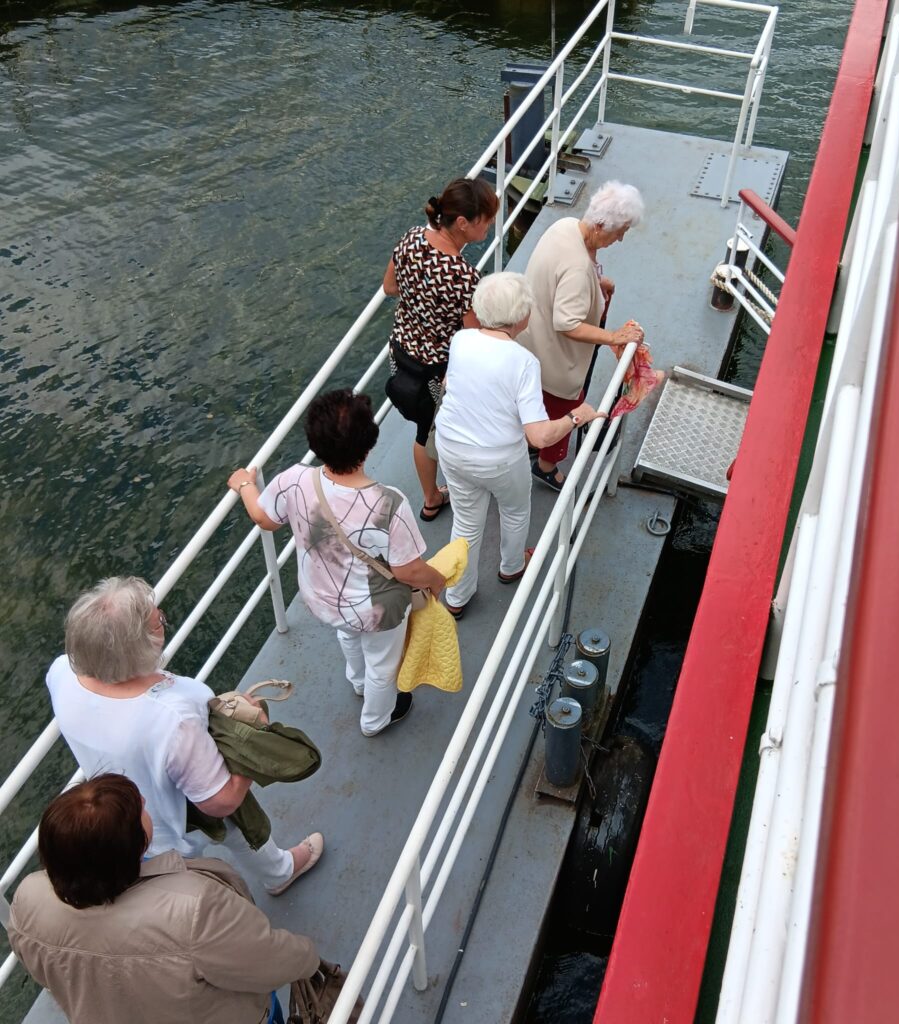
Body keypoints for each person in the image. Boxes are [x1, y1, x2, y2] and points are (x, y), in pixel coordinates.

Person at [46, 577, 321, 896]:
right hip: (179, 818)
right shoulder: (172, 715)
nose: (162, 616)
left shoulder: (61, 673)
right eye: (158, 621)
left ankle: (270, 876)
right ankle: (280, 873)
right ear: (137, 650)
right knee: (235, 826)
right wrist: (253, 738)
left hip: (128, 822)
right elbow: (222, 801)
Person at [8, 774, 320, 1024]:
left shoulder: (28, 898)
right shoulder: (195, 908)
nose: (144, 801)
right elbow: (269, 961)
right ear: (136, 846)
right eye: (139, 809)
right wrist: (309, 958)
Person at [229, 388, 446, 736]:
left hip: (324, 598)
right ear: (370, 443)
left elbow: (264, 518)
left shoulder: (295, 480)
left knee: (349, 636)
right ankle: (376, 719)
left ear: (315, 443)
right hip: (374, 610)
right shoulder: (389, 504)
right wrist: (437, 581)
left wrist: (243, 485)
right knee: (383, 664)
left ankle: (357, 681)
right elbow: (408, 571)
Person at [434, 272, 604, 618]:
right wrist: (577, 416)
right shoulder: (523, 361)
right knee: (514, 509)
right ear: (520, 317)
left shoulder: (461, 339)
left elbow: (453, 382)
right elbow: (539, 436)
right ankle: (511, 566)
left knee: (466, 523)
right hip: (497, 457)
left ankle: (457, 596)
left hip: (451, 446)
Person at [516, 180, 646, 490]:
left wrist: (596, 284)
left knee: (531, 403)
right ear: (601, 225)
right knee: (562, 409)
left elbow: (559, 275)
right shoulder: (577, 266)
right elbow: (568, 323)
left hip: (532, 343)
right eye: (620, 231)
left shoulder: (565, 227)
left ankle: (530, 439)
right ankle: (547, 466)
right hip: (557, 362)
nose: (622, 238)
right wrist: (614, 336)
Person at [383, 177, 499, 520]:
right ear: (463, 223)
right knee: (445, 430)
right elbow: (474, 335)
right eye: (486, 219)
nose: (490, 225)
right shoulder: (463, 276)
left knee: (422, 431)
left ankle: (431, 498)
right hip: (438, 371)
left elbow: (389, 287)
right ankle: (461, 489)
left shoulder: (410, 239)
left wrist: (420, 302)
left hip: (401, 355)